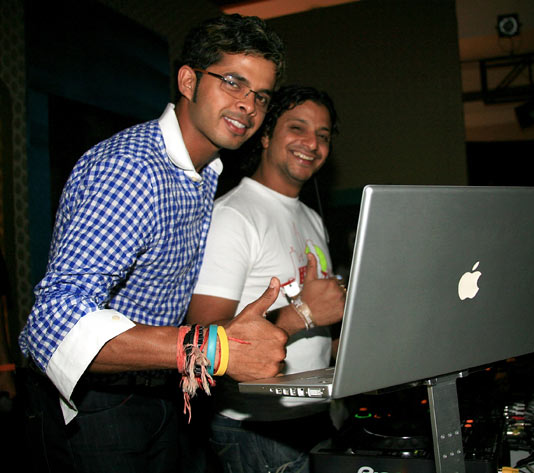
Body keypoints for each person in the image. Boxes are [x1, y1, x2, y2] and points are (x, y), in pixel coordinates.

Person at [18, 14, 289, 473]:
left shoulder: (205, 172)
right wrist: (214, 348)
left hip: (163, 390)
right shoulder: (133, 169)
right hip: (98, 403)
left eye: (260, 95)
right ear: (188, 80)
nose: (248, 105)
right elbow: (54, 326)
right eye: (232, 82)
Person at [187, 85, 345, 472]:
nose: (312, 143)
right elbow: (201, 340)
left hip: (316, 415)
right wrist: (303, 313)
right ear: (266, 135)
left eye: (323, 136)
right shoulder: (233, 217)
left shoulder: (311, 217)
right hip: (255, 430)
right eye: (298, 128)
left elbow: (318, 331)